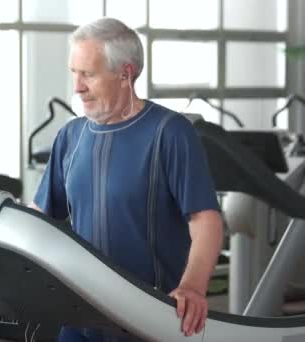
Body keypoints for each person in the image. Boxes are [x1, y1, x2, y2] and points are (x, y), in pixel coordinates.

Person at [29, 18, 224, 341]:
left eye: (88, 74)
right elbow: (38, 216)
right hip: (79, 313)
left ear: (125, 74)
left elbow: (206, 220)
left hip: (147, 315)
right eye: (74, 73)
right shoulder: (71, 136)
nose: (77, 86)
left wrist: (192, 286)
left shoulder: (170, 133)